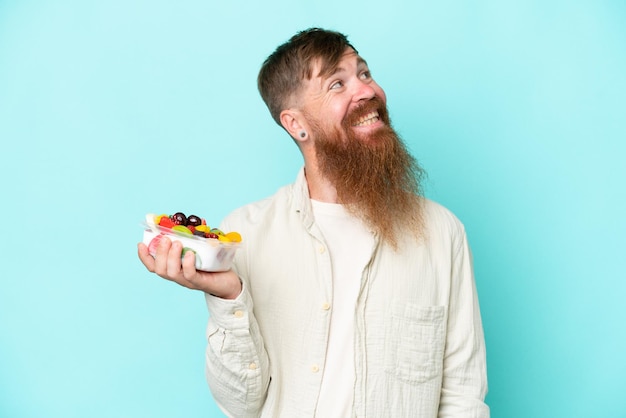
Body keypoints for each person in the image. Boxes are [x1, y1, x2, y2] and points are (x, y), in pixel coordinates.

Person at [138, 27, 489, 418]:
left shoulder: (442, 233)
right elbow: (240, 404)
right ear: (296, 124)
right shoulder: (246, 235)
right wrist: (227, 296)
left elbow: (462, 398)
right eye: (337, 84)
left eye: (365, 73)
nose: (366, 90)